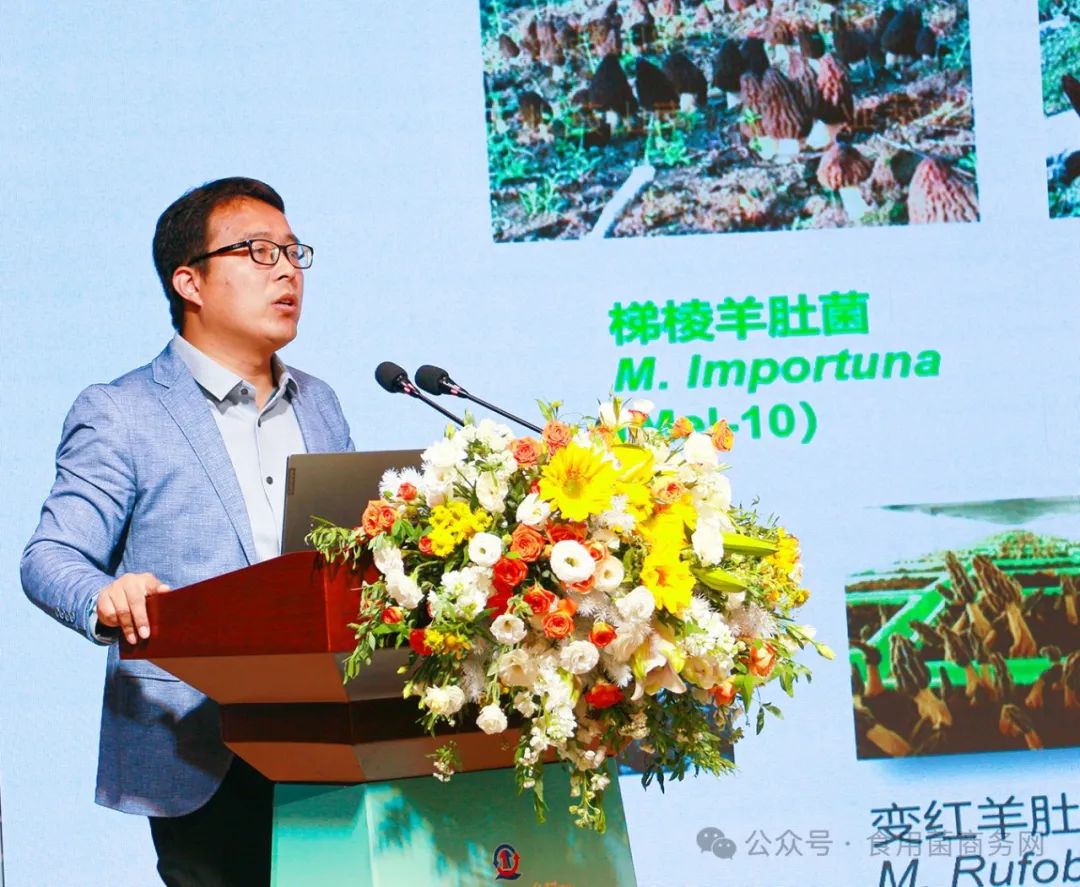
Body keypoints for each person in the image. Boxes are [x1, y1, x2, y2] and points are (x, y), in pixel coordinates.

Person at [21, 177, 354, 886]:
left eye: (294, 252)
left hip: (327, 736)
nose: (287, 270)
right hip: (199, 746)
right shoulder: (122, 410)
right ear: (189, 281)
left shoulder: (320, 403)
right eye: (259, 251)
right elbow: (50, 555)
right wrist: (106, 597)